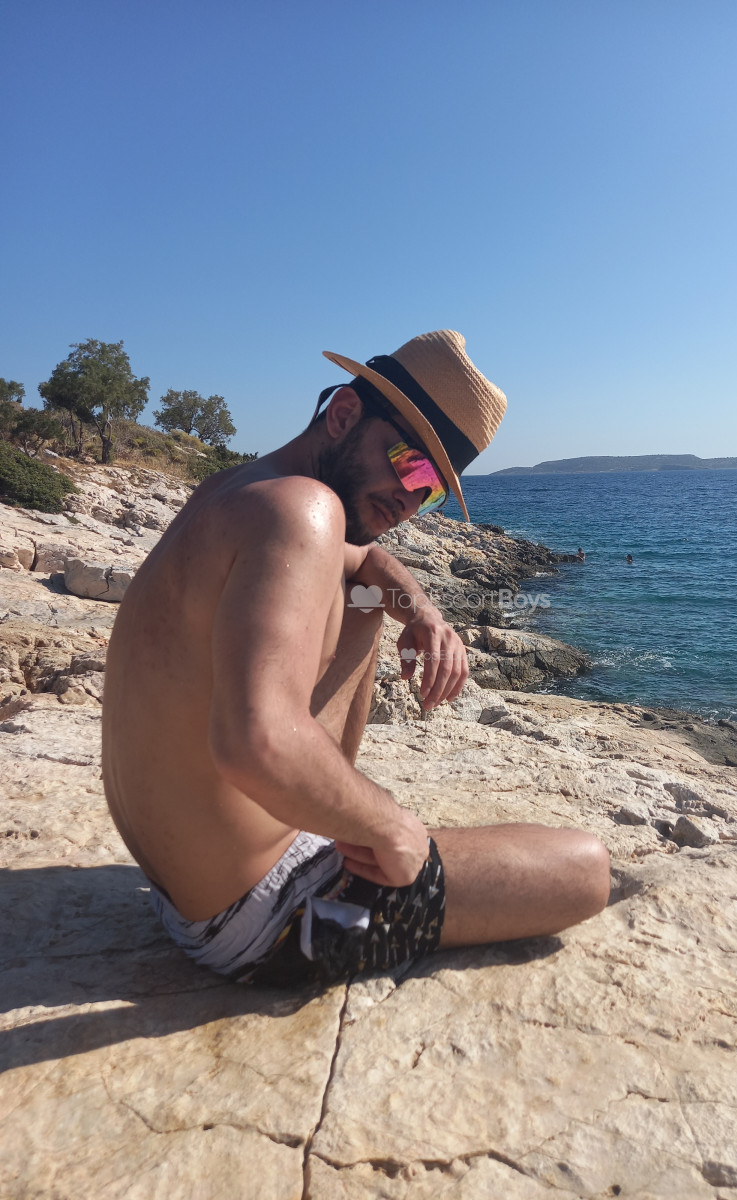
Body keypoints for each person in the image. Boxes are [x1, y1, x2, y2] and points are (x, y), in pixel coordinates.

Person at [102, 330, 610, 987]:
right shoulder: (302, 510)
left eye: (430, 490)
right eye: (410, 464)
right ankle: (340, 827)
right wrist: (395, 829)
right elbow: (254, 740)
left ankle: (322, 807)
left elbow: (365, 560)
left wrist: (423, 614)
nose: (410, 501)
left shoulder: (241, 490)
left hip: (184, 893)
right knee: (587, 869)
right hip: (267, 917)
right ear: (344, 415)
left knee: (365, 600)